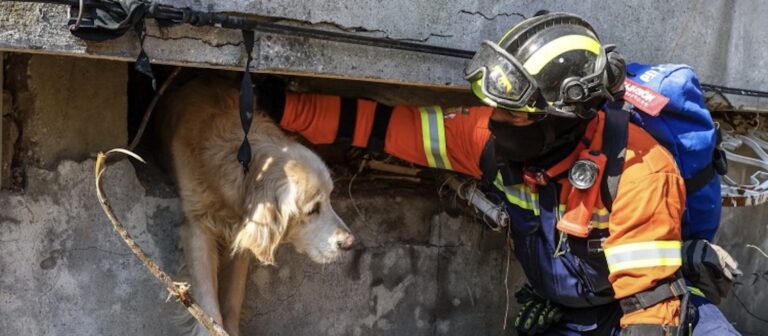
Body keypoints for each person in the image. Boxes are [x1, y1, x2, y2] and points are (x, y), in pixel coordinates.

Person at [258, 11, 739, 336]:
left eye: (515, 114)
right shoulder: (490, 139)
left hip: (648, 313)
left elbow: (650, 314)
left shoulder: (638, 171)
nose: (495, 124)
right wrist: (285, 106)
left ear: (562, 118)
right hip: (573, 317)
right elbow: (386, 127)